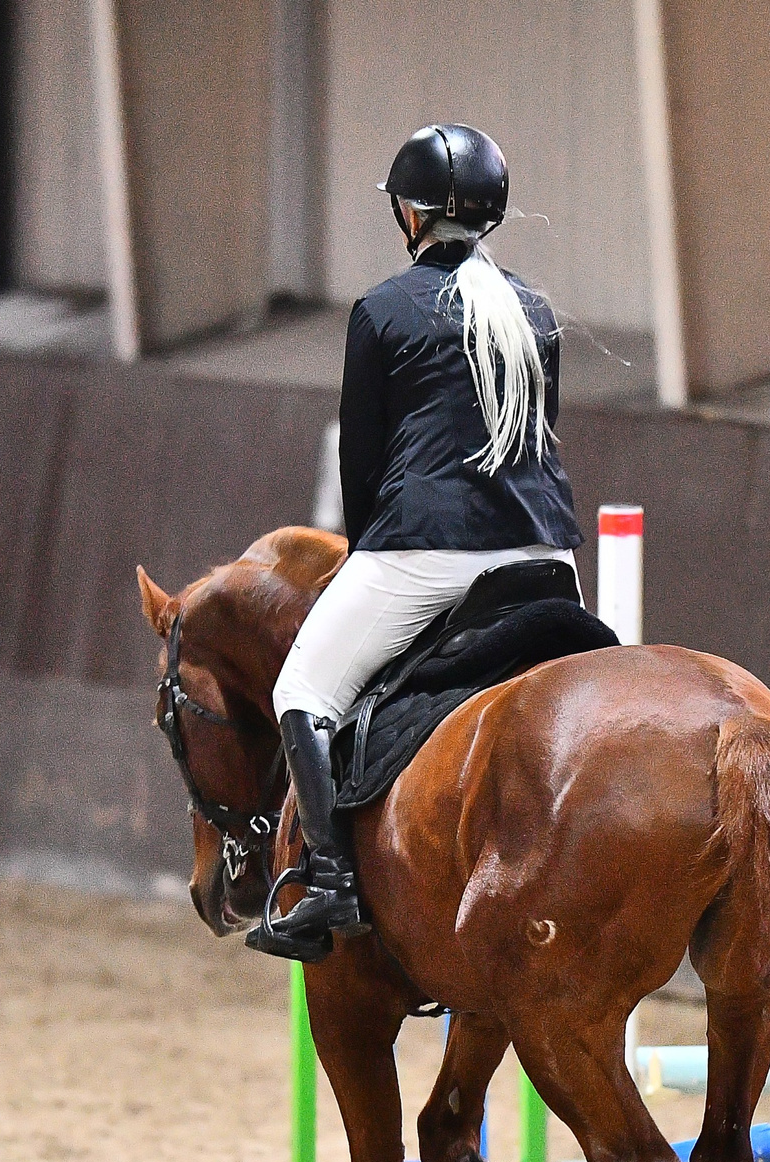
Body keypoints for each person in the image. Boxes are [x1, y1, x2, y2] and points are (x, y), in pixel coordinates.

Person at [248, 122, 582, 962]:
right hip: (545, 555)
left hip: (426, 551)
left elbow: (363, 465)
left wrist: (367, 553)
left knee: (301, 691)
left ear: (411, 213)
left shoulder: (382, 310)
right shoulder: (534, 312)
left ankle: (330, 883)